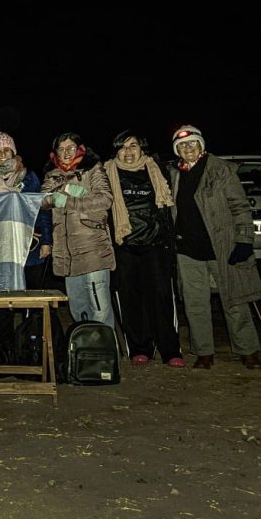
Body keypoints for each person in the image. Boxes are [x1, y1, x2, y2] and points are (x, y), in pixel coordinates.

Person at [167, 125, 261, 369]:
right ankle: (204, 352)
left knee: (234, 299)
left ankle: (248, 350)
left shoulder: (221, 169)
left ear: (201, 145)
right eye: (182, 145)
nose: (187, 148)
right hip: (188, 249)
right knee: (195, 303)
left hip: (222, 246)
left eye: (192, 143)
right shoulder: (174, 173)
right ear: (177, 150)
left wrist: (244, 240)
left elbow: (240, 207)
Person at [104, 130, 184, 368]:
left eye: (133, 146)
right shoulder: (105, 173)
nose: (128, 152)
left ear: (142, 148)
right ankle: (140, 348)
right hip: (124, 245)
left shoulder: (159, 171)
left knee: (161, 298)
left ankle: (170, 349)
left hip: (155, 244)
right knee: (129, 299)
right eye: (123, 147)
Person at [0, 131, 53, 345]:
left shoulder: (29, 177)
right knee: (4, 301)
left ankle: (35, 344)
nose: (2, 155)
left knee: (34, 298)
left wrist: (46, 240)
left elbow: (42, 209)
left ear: (13, 151)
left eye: (6, 150)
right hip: (1, 250)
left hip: (31, 247)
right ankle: (8, 347)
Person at [40, 132, 116, 328]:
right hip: (66, 251)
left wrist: (70, 200)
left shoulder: (93, 169)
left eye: (71, 148)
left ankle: (104, 352)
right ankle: (84, 348)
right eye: (61, 149)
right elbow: (41, 199)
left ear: (80, 149)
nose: (66, 153)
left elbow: (105, 199)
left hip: (93, 247)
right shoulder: (51, 174)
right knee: (77, 305)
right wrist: (64, 191)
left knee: (100, 306)